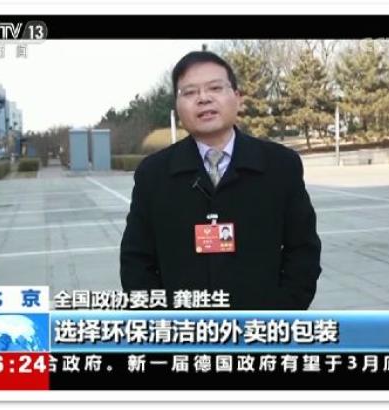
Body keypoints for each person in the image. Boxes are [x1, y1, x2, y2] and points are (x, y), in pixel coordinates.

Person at [120, 51, 321, 309]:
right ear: (177, 106)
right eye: (190, 92)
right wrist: (163, 321)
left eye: (215, 88)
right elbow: (136, 261)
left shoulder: (280, 165)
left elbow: (303, 250)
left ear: (237, 97)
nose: (203, 98)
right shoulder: (153, 174)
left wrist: (281, 312)